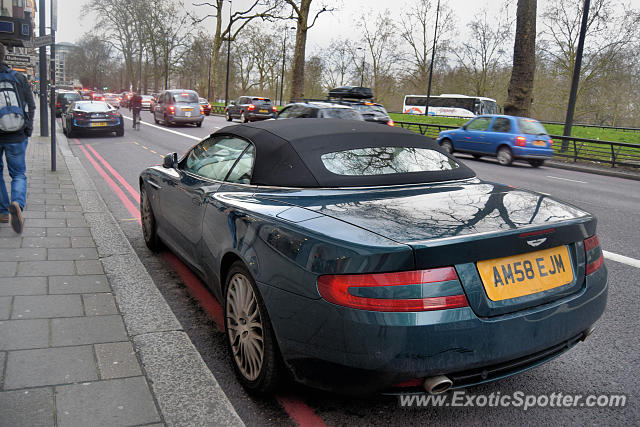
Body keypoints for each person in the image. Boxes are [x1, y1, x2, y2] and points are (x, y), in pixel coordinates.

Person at [0, 43, 35, 234]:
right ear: (4, 56)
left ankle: (3, 212)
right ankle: (17, 204)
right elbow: (31, 105)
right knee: (18, 174)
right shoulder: (19, 78)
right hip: (16, 134)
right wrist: (28, 129)